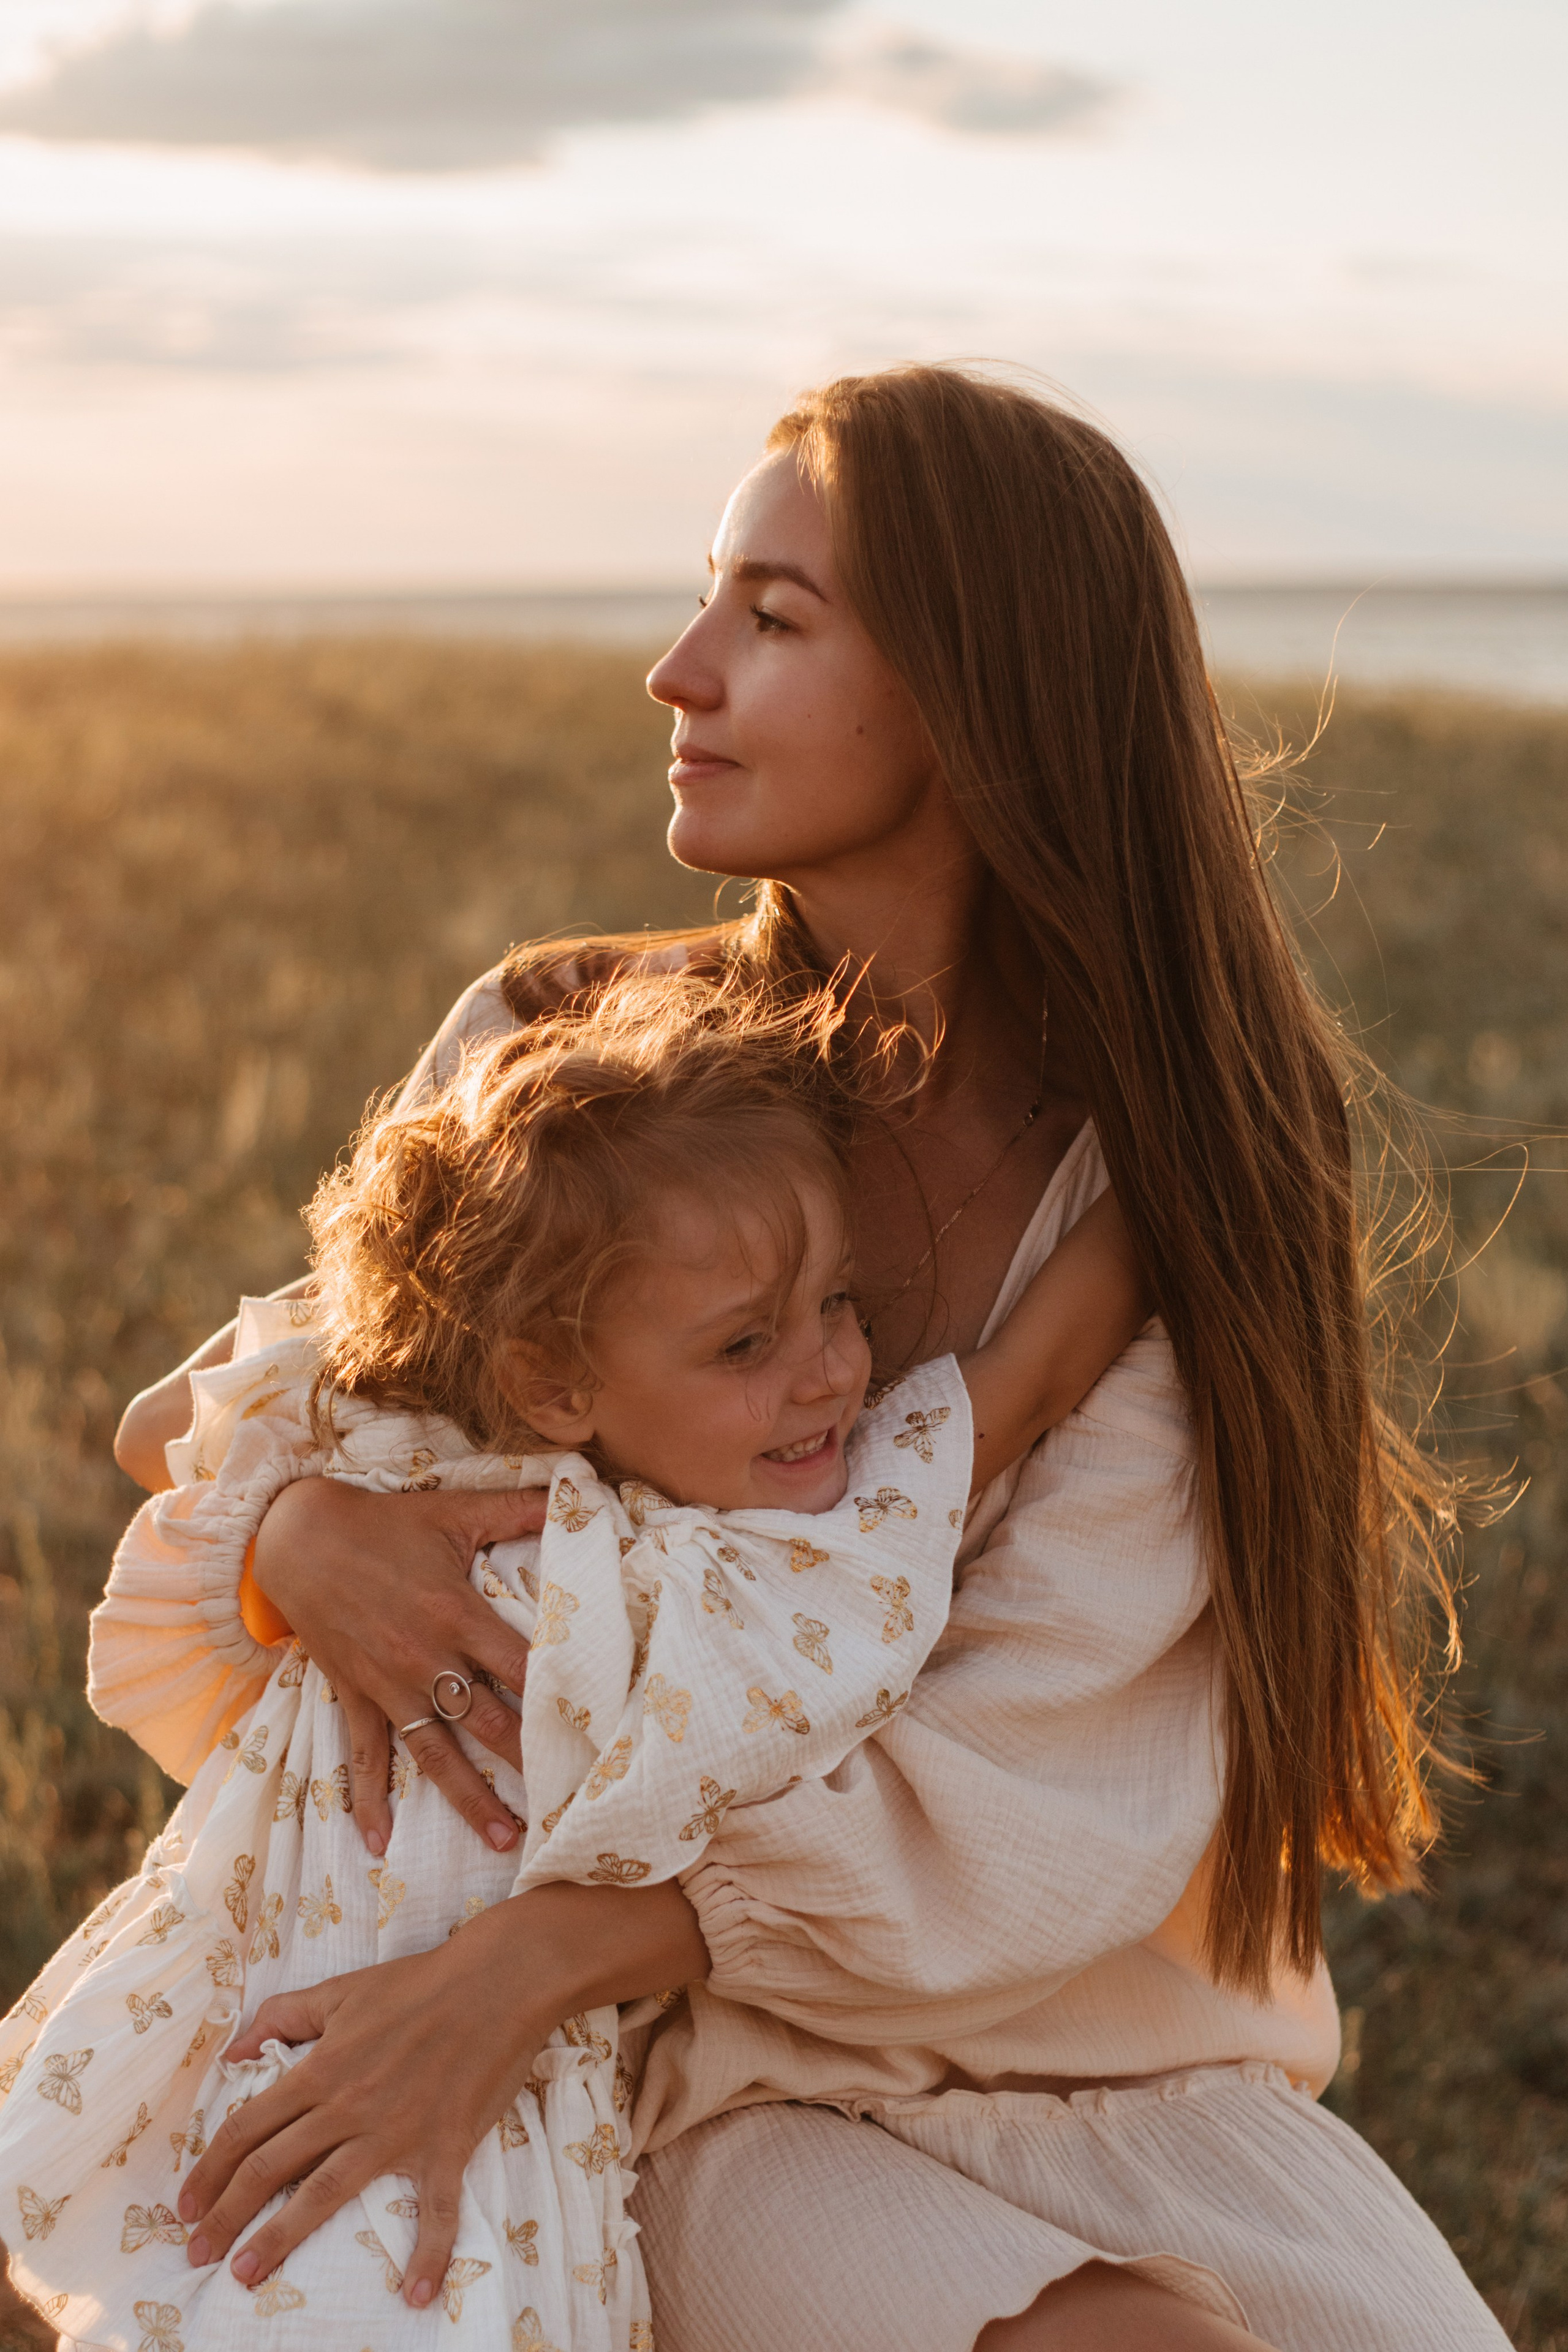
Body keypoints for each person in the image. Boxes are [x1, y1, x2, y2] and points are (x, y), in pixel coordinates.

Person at [101, 366, 1506, 2351]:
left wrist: (529, 1965)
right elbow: (254, 1440)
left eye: (770, 620)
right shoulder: (563, 1066)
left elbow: (1027, 1798)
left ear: (978, 693)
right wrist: (294, 1538)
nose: (678, 673)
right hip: (696, 2073)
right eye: (707, 598)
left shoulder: (1165, 1187)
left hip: (1097, 2075)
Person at [1, 974, 1146, 2351]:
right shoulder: (416, 1448)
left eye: (837, 1304)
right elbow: (157, 1428)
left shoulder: (757, 1580)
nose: (830, 1373)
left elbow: (1026, 1375)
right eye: (743, 1341)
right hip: (212, 2002)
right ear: (553, 1380)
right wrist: (306, 1525)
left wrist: (1187, 1163)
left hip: (461, 2092)